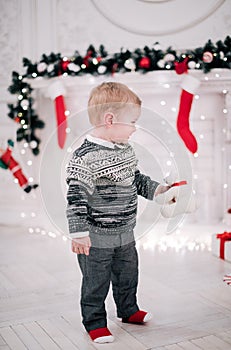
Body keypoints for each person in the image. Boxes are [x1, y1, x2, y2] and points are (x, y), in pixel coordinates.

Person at [66, 82, 170, 344]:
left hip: (125, 231)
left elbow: (136, 180)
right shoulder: (84, 157)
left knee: (128, 273)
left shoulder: (125, 150)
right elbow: (76, 197)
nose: (135, 128)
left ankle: (128, 309)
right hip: (96, 236)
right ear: (110, 119)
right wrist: (78, 233)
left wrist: (160, 191)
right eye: (132, 122)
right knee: (95, 281)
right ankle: (95, 322)